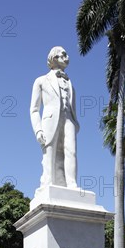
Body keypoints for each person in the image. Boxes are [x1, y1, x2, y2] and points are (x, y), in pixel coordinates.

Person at [30, 46, 79, 189]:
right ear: (54, 58)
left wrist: (75, 123)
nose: (67, 57)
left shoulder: (70, 83)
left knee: (71, 151)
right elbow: (34, 109)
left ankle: (72, 184)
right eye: (63, 54)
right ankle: (48, 183)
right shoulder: (41, 80)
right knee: (49, 152)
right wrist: (38, 130)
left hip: (69, 118)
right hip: (50, 120)